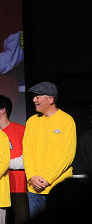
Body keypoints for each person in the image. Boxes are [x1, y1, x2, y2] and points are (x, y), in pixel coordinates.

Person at [23, 82, 76, 217]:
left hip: (59, 188)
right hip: (34, 188)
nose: (34, 100)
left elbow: (68, 155)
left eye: (38, 96)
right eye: (34, 96)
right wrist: (31, 176)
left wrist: (47, 179)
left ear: (50, 99)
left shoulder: (66, 120)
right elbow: (27, 152)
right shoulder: (31, 122)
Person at [0, 95, 29, 224]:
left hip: (18, 187)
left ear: (3, 110)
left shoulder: (22, 130)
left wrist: (2, 163)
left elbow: (28, 159)